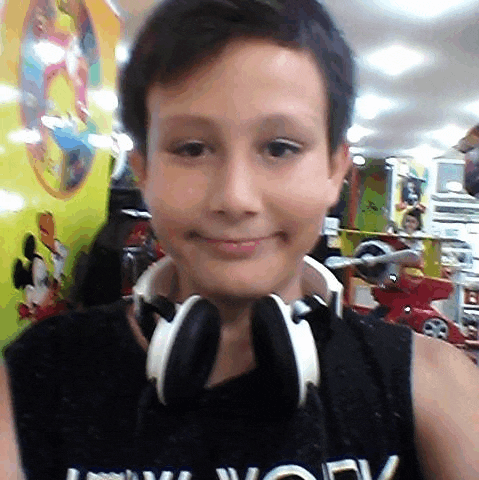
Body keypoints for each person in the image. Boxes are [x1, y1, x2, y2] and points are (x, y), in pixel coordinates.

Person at [1, 1, 478, 479]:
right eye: (192, 148)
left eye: (280, 148)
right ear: (142, 169)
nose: (235, 198)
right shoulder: (35, 380)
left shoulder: (434, 385)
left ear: (336, 170)